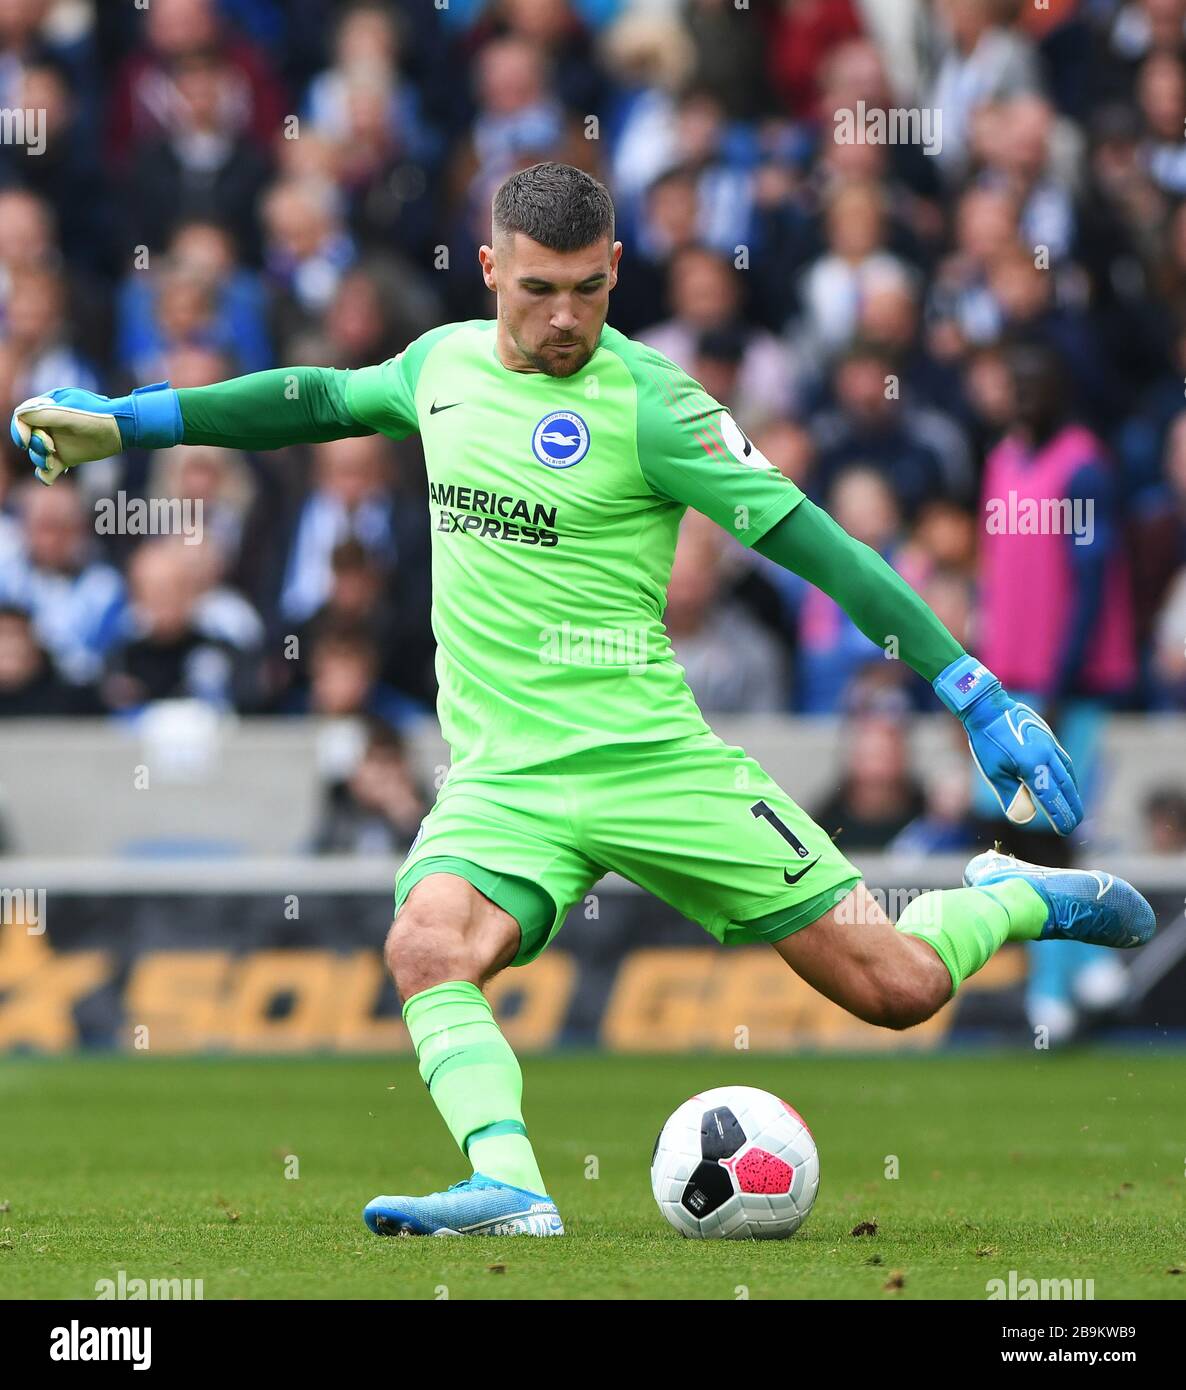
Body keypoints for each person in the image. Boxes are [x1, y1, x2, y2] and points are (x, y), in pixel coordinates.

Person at [10, 161, 1155, 1241]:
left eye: (591, 289)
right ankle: (509, 1180)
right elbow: (315, 396)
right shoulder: (442, 366)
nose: (567, 318)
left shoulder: (659, 406)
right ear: (491, 267)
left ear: (615, 267)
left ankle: (1003, 895)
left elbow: (821, 547)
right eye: (542, 290)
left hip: (657, 764)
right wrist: (133, 418)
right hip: (506, 779)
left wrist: (971, 687)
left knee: (895, 989)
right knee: (425, 945)